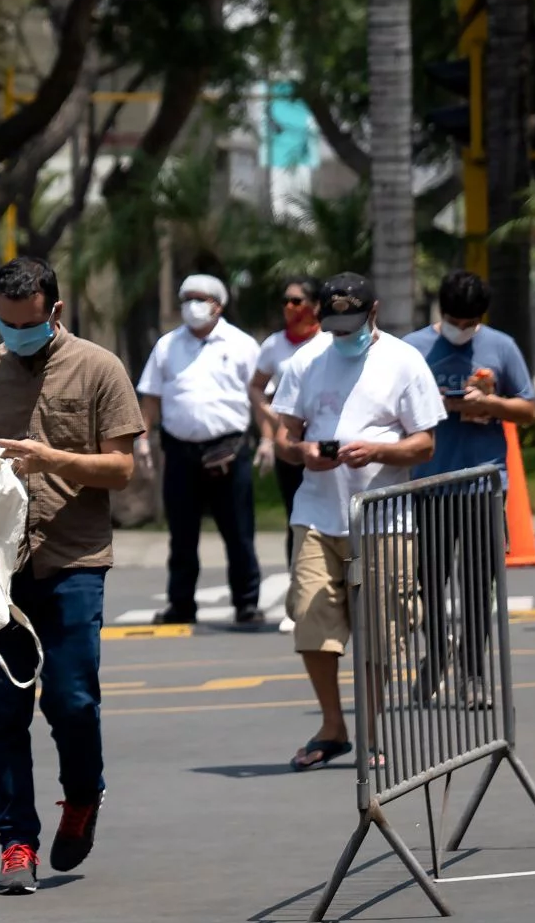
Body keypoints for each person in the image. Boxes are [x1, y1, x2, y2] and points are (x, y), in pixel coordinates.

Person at [0, 258, 142, 893]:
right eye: (6, 325)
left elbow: (121, 468)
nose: (16, 335)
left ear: (55, 314)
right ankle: (16, 843)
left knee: (72, 700)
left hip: (73, 559)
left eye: (29, 325)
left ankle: (83, 794)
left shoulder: (100, 368)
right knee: (4, 712)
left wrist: (51, 459)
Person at [270, 274, 443, 772]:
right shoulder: (306, 360)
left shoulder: (404, 361)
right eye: (334, 327)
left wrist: (378, 450)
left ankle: (368, 727)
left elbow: (425, 443)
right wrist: (300, 451)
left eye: (352, 326)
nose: (343, 337)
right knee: (310, 617)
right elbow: (285, 434)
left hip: (385, 517)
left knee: (381, 629)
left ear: (374, 313)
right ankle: (333, 726)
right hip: (318, 513)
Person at [140, 273, 264, 629]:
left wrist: (269, 438)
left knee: (239, 530)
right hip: (179, 451)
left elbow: (259, 397)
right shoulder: (167, 346)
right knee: (181, 534)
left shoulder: (242, 345)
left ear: (218, 305)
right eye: (187, 298)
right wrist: (143, 439)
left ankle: (246, 603)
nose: (192, 306)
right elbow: (151, 395)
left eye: (200, 298)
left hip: (230, 448)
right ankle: (181, 604)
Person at [249, 275, 327, 633]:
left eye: (297, 301)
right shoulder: (275, 346)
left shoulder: (329, 342)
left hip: (328, 443)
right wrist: (273, 419)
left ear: (314, 306)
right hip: (291, 444)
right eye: (286, 301)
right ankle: (297, 600)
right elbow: (256, 388)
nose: (289, 308)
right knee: (297, 518)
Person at [405, 270, 535, 477]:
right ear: (442, 311)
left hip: (485, 481)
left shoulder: (502, 346)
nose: (460, 329)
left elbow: (528, 410)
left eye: (469, 324)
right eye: (454, 322)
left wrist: (488, 403)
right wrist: (433, 403)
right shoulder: (412, 348)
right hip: (429, 480)